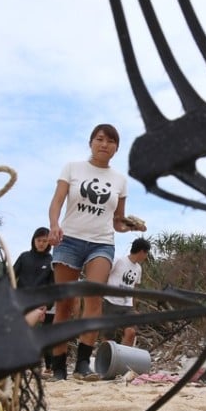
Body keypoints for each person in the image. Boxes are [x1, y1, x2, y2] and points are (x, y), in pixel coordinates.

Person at [47, 124, 146, 380]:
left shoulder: (120, 181)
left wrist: (132, 225)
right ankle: (58, 365)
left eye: (111, 141)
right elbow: (57, 200)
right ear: (91, 142)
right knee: (65, 306)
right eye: (100, 139)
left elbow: (117, 221)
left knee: (93, 301)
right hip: (69, 240)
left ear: (116, 148)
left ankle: (82, 362)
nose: (105, 144)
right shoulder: (72, 168)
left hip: (101, 243)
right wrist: (54, 225)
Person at [12, 227, 56, 366]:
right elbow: (11, 276)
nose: (41, 243)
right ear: (33, 240)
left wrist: (47, 305)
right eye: (38, 240)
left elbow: (52, 285)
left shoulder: (51, 261)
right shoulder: (24, 257)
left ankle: (48, 366)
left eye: (44, 240)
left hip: (40, 303)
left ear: (49, 242)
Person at [102, 236, 151, 348]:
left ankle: (122, 358)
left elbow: (135, 289)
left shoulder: (138, 268)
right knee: (108, 336)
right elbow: (105, 276)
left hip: (127, 306)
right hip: (111, 302)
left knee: (131, 332)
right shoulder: (119, 261)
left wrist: (134, 308)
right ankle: (106, 359)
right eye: (146, 253)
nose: (146, 256)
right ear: (141, 251)